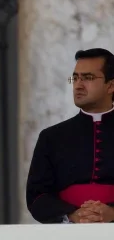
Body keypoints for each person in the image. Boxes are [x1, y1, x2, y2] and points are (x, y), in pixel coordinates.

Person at [26, 48, 114, 224]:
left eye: (88, 78)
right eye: (75, 78)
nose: (78, 85)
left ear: (110, 86)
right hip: (66, 233)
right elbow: (37, 196)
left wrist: (112, 213)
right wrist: (73, 215)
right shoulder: (51, 137)